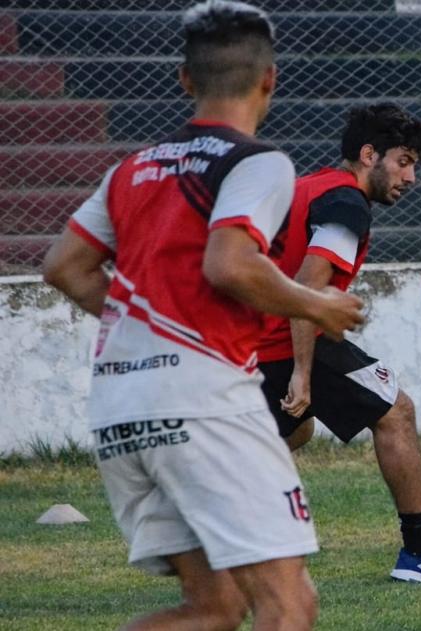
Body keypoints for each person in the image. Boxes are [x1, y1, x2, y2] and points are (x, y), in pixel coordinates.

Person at [40, 2, 364, 629]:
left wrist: (147, 321)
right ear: (270, 78)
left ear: (185, 81)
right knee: (288, 603)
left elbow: (64, 267)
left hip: (121, 407)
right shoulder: (258, 162)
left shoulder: (129, 170)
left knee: (214, 608)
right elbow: (231, 264)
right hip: (205, 402)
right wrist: (317, 303)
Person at [256, 103, 421, 584]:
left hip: (254, 336)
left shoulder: (313, 185)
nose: (410, 177)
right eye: (403, 161)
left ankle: (224, 514)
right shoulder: (346, 204)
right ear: (369, 154)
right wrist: (302, 370)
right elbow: (310, 286)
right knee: (395, 411)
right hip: (288, 336)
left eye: (415, 165)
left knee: (294, 431)